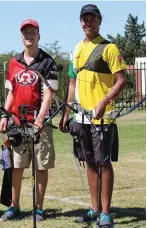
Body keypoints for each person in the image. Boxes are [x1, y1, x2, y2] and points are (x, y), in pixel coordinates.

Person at [59, 4, 126, 228]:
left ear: (99, 20)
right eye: (84, 18)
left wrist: (104, 102)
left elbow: (121, 80)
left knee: (103, 163)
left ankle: (106, 213)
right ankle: (94, 209)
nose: (87, 22)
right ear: (80, 22)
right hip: (82, 118)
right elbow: (71, 83)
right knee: (89, 162)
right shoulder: (77, 48)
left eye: (92, 18)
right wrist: (67, 113)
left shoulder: (109, 48)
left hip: (103, 117)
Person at [0, 19, 58, 222]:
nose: (28, 35)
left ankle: (39, 208)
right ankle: (14, 207)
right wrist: (4, 116)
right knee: (17, 166)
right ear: (21, 36)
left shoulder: (48, 61)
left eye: (32, 32)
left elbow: (49, 93)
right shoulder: (14, 62)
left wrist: (40, 119)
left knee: (41, 166)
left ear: (39, 35)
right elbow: (10, 93)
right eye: (25, 32)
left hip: (39, 123)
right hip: (17, 122)